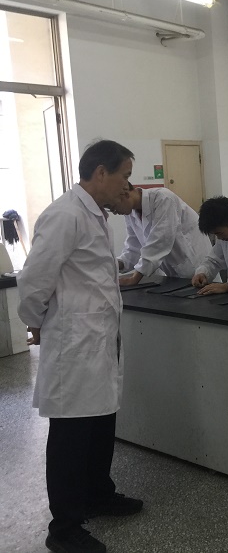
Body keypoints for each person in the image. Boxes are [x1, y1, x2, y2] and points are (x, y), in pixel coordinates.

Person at [17, 140, 143, 553]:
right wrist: (37, 322)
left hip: (98, 339)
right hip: (75, 342)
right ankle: (64, 528)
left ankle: (98, 495)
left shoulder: (96, 214)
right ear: (101, 173)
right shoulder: (65, 214)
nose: (127, 185)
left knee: (101, 423)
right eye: (124, 175)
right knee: (71, 436)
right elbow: (34, 280)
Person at [114, 182, 212, 285]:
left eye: (113, 205)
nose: (114, 211)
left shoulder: (163, 198)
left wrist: (134, 279)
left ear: (125, 194)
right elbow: (134, 248)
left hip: (195, 265)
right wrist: (115, 264)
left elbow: (159, 242)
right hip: (174, 273)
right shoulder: (130, 213)